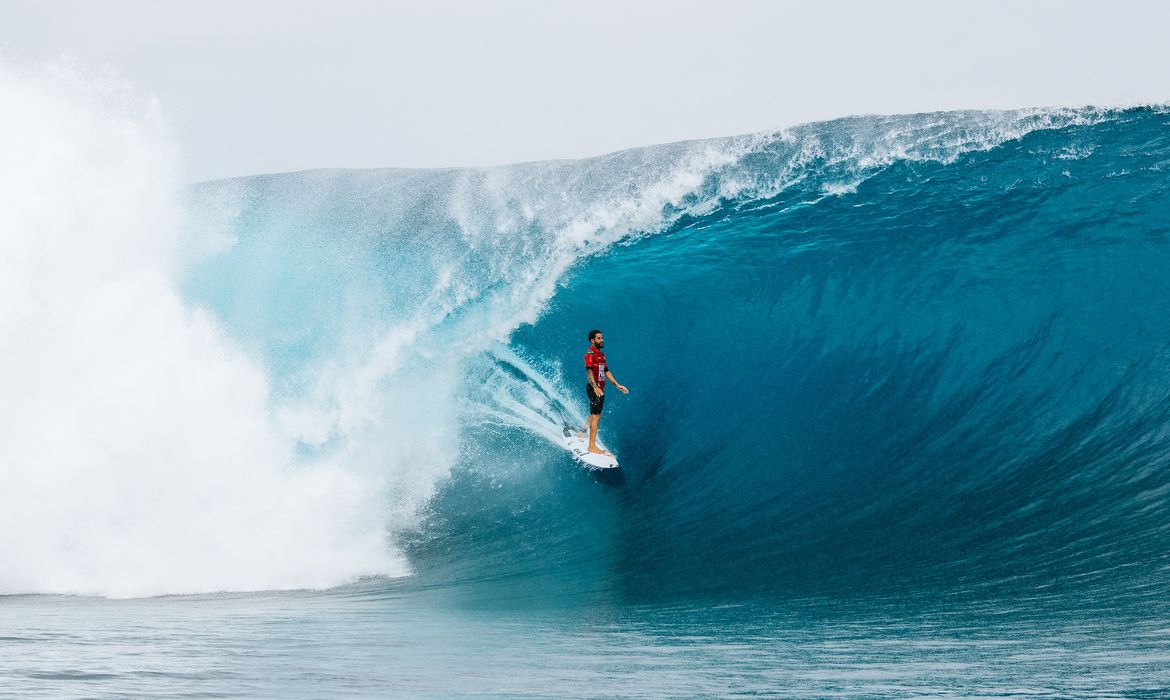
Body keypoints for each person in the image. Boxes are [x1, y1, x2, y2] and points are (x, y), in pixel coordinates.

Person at [582, 329, 629, 455]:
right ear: (592, 340)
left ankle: (582, 431)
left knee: (594, 413)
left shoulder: (601, 355)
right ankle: (591, 446)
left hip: (600, 389)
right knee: (596, 416)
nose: (601, 340)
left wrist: (617, 385)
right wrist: (595, 387)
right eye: (598, 338)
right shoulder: (590, 354)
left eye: (602, 338)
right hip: (594, 389)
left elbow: (606, 371)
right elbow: (589, 372)